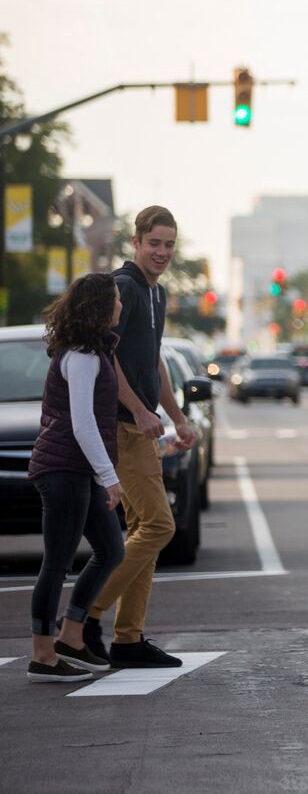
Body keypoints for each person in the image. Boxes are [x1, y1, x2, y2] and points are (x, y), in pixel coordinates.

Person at [82, 206, 195, 668]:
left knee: (144, 530)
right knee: (159, 526)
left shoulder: (156, 293)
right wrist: (137, 409)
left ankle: (128, 639)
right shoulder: (124, 288)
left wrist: (177, 417)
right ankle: (82, 616)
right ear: (136, 242)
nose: (162, 252)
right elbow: (105, 360)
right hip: (120, 426)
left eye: (169, 244)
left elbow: (153, 364)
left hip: (141, 427)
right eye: (155, 243)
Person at [25, 274, 127, 683]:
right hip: (64, 469)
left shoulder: (93, 350)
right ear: (101, 306)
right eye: (116, 299)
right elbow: (83, 423)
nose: (121, 306)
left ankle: (71, 636)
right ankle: (43, 655)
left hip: (77, 468)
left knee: (110, 550)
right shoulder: (83, 355)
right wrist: (111, 477)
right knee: (58, 561)